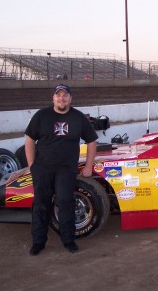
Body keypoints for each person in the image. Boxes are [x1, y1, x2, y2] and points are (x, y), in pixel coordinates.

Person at [25, 84, 98, 256]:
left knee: (65, 203)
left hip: (66, 169)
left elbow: (92, 141)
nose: (62, 98)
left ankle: (68, 240)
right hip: (42, 168)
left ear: (70, 98)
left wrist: (88, 166)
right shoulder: (41, 116)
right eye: (58, 95)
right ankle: (38, 242)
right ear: (53, 98)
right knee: (41, 205)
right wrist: (32, 166)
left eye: (65, 95)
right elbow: (29, 140)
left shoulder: (78, 118)